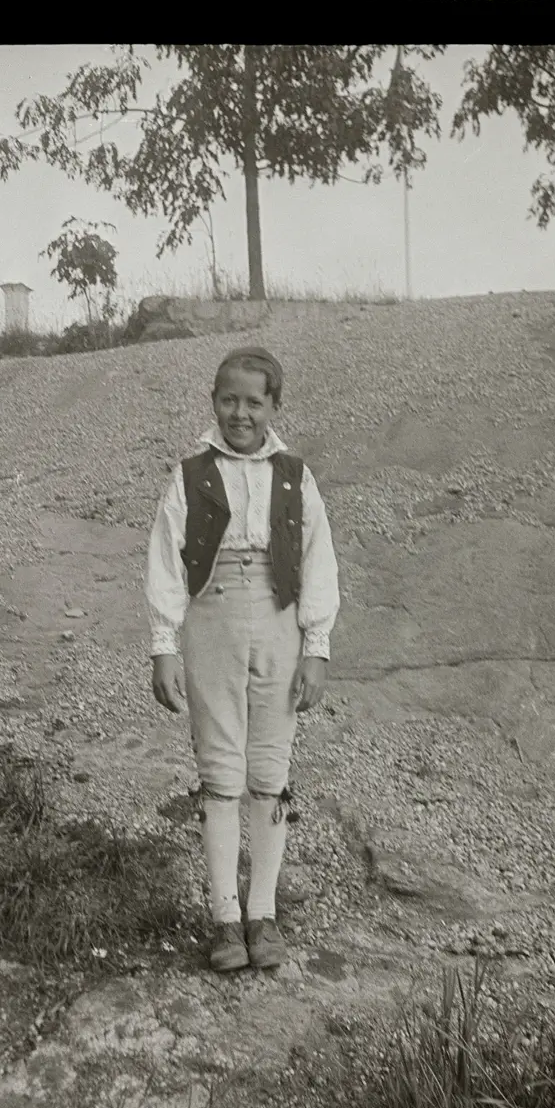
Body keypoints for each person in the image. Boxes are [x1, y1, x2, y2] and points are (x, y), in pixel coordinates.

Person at [145, 346, 340, 971]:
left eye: (254, 402)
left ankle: (264, 912)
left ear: (274, 407)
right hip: (212, 620)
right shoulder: (190, 475)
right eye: (229, 400)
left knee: (270, 767)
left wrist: (316, 648)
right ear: (213, 402)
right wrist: (164, 646)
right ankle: (226, 919)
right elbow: (166, 562)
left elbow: (318, 561)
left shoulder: (295, 476)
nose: (240, 413)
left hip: (280, 621)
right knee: (221, 766)